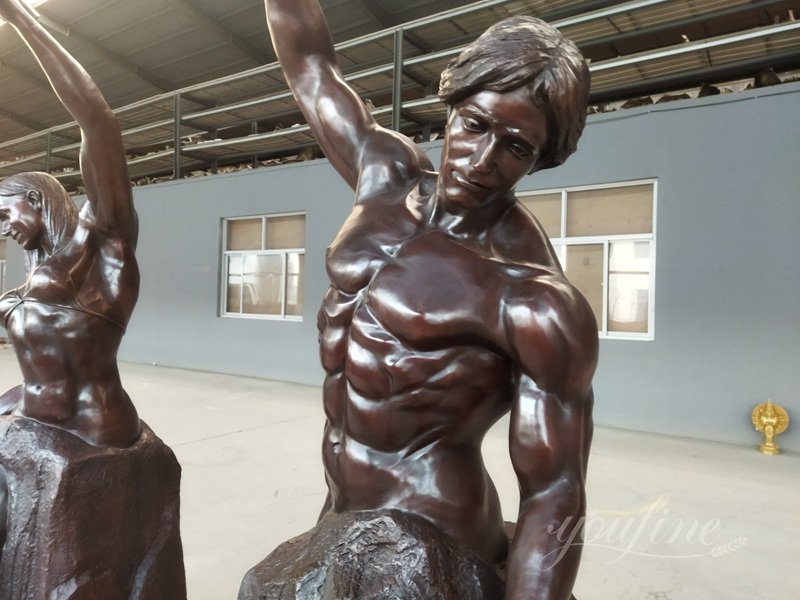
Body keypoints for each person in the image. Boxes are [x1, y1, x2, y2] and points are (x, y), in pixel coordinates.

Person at [265, 1, 598, 598]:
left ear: (541, 157)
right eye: (474, 125)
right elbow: (310, 65)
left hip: (431, 539)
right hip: (339, 507)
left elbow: (556, 493)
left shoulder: (535, 299)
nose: (484, 160)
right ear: (451, 107)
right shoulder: (384, 174)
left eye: (517, 147)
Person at [0, 0, 140, 450]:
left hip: (94, 437)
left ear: (36, 199)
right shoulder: (37, 273)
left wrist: (20, 16)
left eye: (5, 213)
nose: (3, 229)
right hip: (35, 428)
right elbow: (47, 369)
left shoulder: (99, 243)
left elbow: (99, 123)